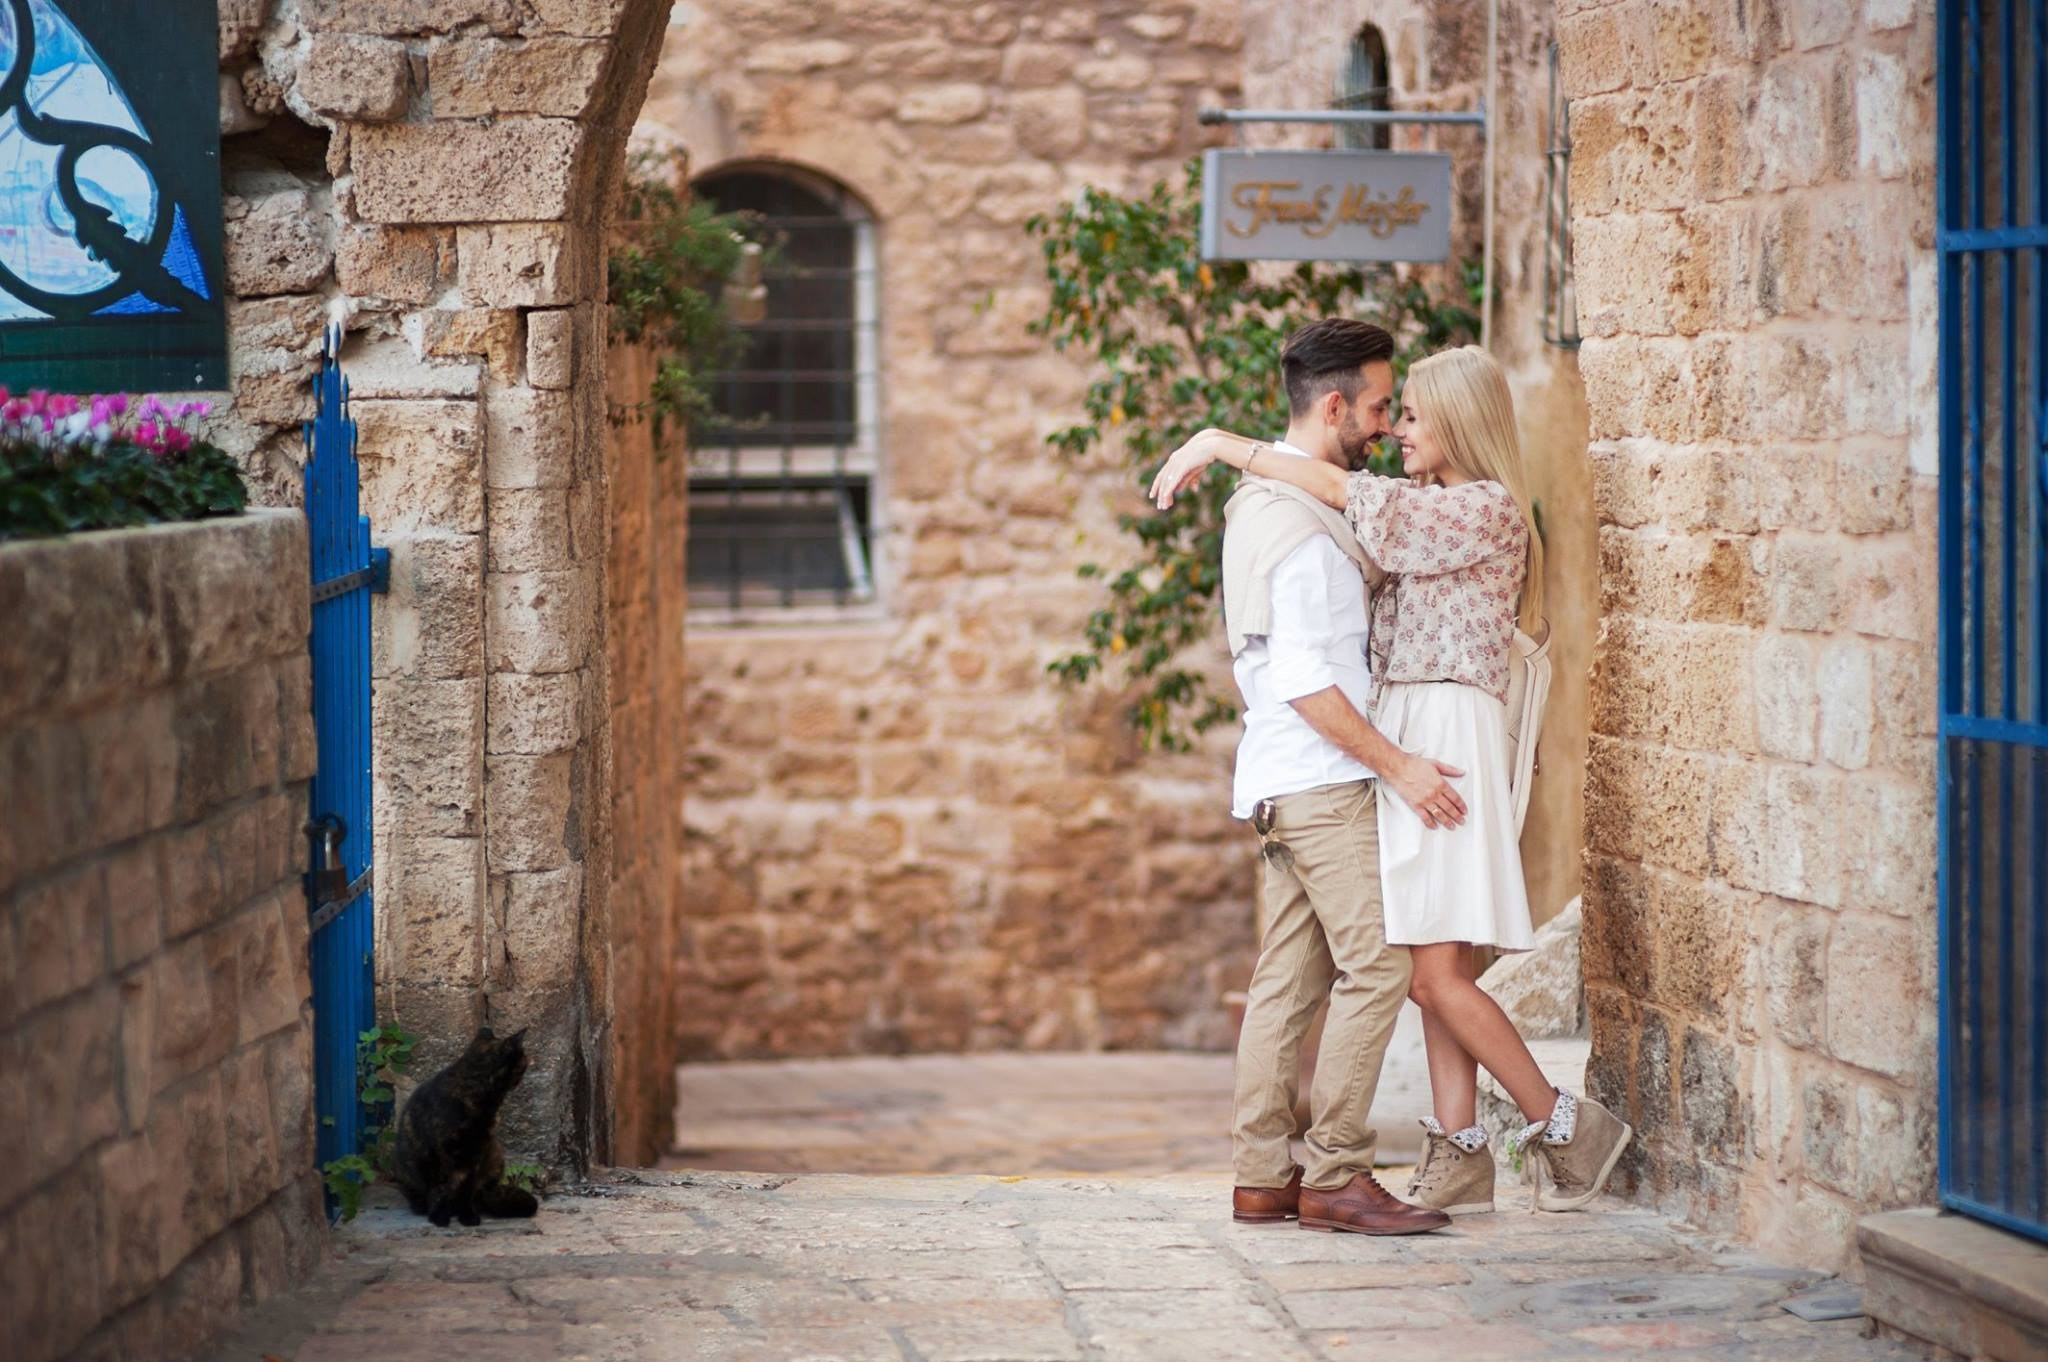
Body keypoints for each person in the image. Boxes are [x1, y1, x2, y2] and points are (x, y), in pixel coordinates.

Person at [1155, 344, 1634, 1214]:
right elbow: (1336, 509)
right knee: (1424, 953)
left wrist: (1220, 443)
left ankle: (1563, 1124)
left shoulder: (1483, 510)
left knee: (1427, 969)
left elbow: (1342, 493)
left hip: (1441, 736)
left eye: (1411, 413)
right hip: (1403, 737)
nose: (1398, 428)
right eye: (1392, 410)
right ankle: (1461, 1150)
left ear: (1459, 421)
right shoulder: (1422, 505)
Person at [1212, 319, 1462, 1237]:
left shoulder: (1268, 507)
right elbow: (1308, 683)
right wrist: (1400, 768)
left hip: (1280, 781)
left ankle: (1262, 1177)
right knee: (1382, 964)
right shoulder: (1306, 537)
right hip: (1320, 783)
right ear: (1333, 407)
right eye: (1378, 406)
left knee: (1286, 983)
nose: (1385, 424)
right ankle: (1337, 1175)